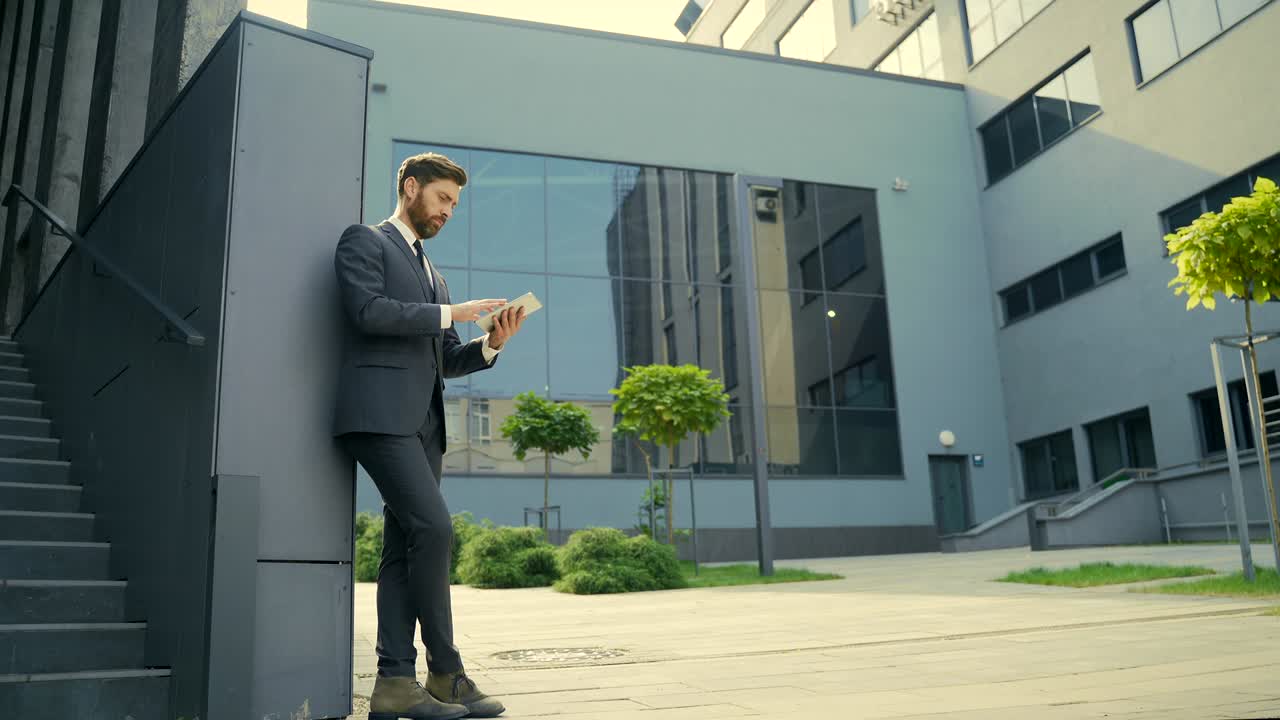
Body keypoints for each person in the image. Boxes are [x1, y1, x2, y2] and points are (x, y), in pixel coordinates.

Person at [333, 152, 524, 720]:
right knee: (435, 529)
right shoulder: (364, 241)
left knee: (404, 548)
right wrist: (450, 313)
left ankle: (395, 684)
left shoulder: (434, 275)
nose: (448, 211)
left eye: (455, 205)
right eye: (443, 198)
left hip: (424, 426)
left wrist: (491, 343)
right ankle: (447, 671)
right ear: (410, 188)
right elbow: (368, 311)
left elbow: (445, 358)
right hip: (378, 416)